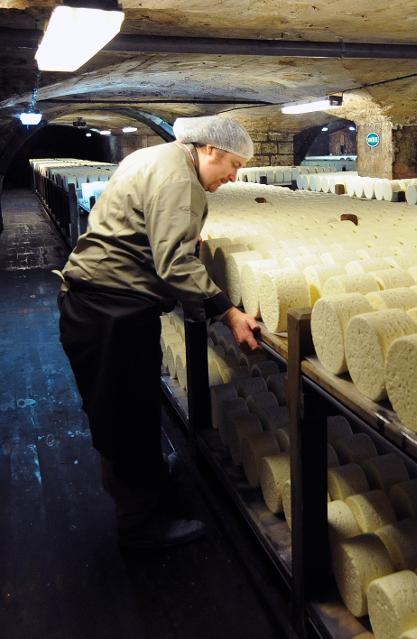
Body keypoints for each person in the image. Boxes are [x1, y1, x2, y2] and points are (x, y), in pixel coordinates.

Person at [57, 115, 260, 549]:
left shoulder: (152, 157)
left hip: (93, 302)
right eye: (233, 165)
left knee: (128, 407)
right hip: (112, 309)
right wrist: (228, 313)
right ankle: (140, 524)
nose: (233, 176)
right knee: (127, 414)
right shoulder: (180, 180)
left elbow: (149, 233)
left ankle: (144, 477)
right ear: (209, 150)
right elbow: (174, 265)